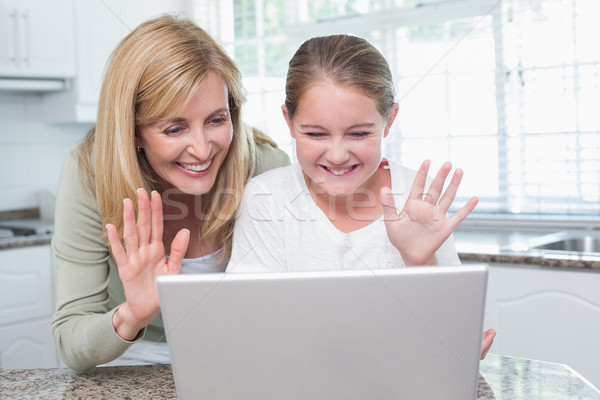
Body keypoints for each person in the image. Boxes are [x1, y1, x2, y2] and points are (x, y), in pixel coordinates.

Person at [226, 34, 495, 358]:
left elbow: (451, 343)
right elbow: (247, 329)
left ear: (389, 120)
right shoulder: (265, 198)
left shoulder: (417, 199)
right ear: (289, 121)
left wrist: (419, 260)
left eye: (358, 133)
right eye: (314, 134)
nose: (338, 155)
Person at [51, 15, 289, 373]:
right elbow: (72, 342)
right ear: (132, 131)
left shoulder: (265, 166)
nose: (201, 148)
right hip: (136, 359)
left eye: (216, 120)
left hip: (246, 352)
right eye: (175, 128)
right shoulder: (90, 174)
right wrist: (132, 315)